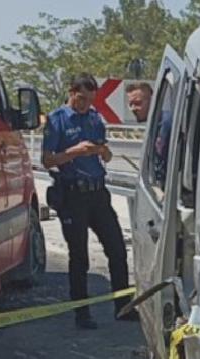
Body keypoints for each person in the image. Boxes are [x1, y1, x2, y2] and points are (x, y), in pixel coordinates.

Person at [41, 74, 129, 330]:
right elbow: (47, 160)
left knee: (117, 250)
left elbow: (108, 156)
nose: (85, 104)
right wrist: (75, 152)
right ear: (71, 92)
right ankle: (82, 312)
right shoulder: (57, 120)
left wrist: (102, 151)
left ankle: (122, 306)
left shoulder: (94, 118)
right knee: (79, 256)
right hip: (72, 194)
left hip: (98, 193)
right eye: (81, 99)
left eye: (90, 100)